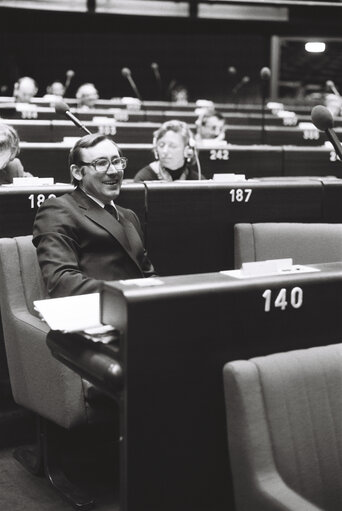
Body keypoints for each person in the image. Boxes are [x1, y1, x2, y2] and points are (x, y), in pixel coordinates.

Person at [33, 133, 155, 298]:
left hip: (138, 308)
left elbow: (148, 275)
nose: (113, 171)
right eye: (101, 163)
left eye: (117, 161)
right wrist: (128, 291)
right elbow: (61, 282)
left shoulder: (129, 216)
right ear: (77, 172)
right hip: (95, 312)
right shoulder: (58, 210)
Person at [134, 120, 202, 182]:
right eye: (161, 145)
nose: (165, 151)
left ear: (188, 151)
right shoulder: (143, 179)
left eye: (172, 146)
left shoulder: (198, 180)